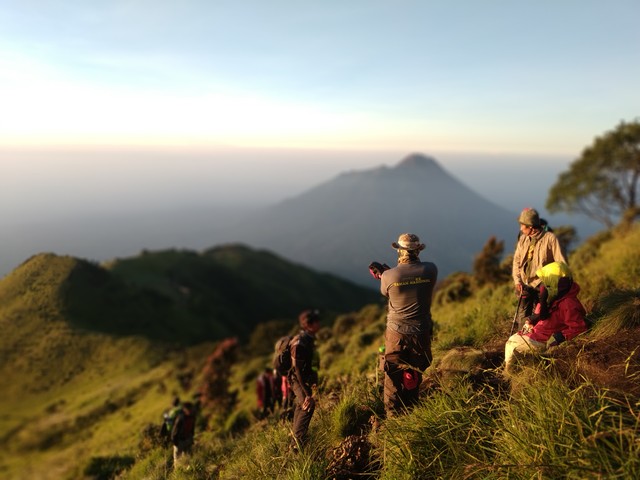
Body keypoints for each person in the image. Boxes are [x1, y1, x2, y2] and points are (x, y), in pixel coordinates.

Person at [378, 233, 438, 417]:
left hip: (396, 332)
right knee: (415, 369)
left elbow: (387, 292)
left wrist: (384, 274)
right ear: (418, 250)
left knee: (392, 372)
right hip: (420, 332)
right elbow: (412, 281)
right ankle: (412, 408)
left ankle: (393, 414)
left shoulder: (388, 276)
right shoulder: (430, 270)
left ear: (399, 250)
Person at [504, 262, 587, 370]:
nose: (542, 285)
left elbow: (579, 327)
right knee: (512, 341)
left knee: (512, 346)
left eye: (546, 281)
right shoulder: (554, 297)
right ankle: (511, 369)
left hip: (544, 339)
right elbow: (543, 316)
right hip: (538, 334)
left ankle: (508, 374)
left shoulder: (568, 303)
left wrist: (560, 336)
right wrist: (532, 320)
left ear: (553, 283)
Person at [512, 208, 567, 332]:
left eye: (522, 226)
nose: (521, 228)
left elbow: (561, 264)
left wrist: (553, 287)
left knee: (542, 315)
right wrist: (517, 281)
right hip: (525, 283)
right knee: (523, 315)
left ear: (531, 227)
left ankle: (537, 338)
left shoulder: (550, 239)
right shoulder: (523, 239)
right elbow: (517, 261)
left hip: (542, 285)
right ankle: (523, 339)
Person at [287, 309, 321, 451]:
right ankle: (297, 444)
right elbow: (297, 370)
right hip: (296, 378)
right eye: (316, 321)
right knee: (308, 405)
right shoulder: (299, 343)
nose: (319, 323)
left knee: (302, 405)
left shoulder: (309, 338)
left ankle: (295, 436)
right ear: (308, 325)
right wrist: (308, 393)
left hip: (303, 377)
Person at [171, 401, 196, 469]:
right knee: (177, 460)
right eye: (189, 409)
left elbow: (192, 429)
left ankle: (187, 471)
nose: (190, 410)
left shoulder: (191, 417)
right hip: (180, 441)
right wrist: (175, 443)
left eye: (191, 409)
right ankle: (178, 473)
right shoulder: (181, 418)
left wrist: (191, 438)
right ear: (185, 410)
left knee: (188, 458)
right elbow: (175, 431)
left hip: (187, 440)